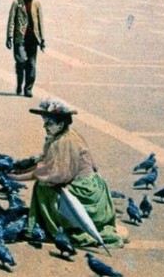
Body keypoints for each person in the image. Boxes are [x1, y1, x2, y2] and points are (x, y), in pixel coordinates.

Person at [12, 97, 123, 248]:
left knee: (42, 187)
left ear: (61, 124)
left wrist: (27, 175)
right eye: (45, 121)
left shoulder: (63, 141)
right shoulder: (68, 134)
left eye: (49, 123)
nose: (44, 126)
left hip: (84, 191)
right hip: (95, 187)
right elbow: (50, 159)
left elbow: (59, 176)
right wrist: (30, 162)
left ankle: (52, 225)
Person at [6, 0, 44, 96]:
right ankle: (19, 83)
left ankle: (28, 89)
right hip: (20, 37)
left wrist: (42, 39)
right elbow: (11, 20)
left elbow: (40, 22)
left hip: (33, 38)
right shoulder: (17, 3)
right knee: (21, 61)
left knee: (31, 65)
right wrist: (9, 37)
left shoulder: (37, 4)